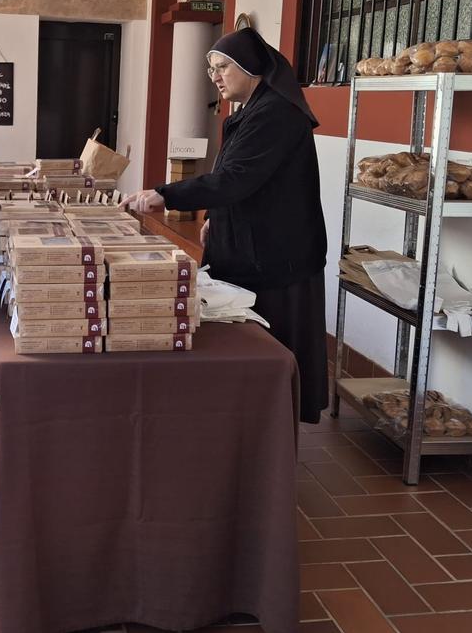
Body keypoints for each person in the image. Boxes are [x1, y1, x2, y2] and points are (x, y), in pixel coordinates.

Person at [122, 27, 329, 423]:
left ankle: (268, 422)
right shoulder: (253, 109)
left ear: (251, 68)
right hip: (249, 241)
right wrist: (214, 217)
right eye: (210, 69)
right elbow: (239, 173)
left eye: (222, 67)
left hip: (277, 253)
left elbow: (238, 178)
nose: (215, 76)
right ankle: (244, 414)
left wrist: (166, 193)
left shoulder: (277, 115)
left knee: (269, 344)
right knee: (244, 338)